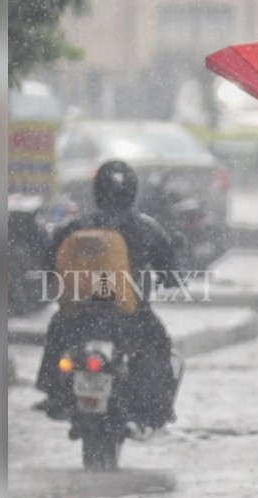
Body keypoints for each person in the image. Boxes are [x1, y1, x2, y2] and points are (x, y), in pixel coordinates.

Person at [34, 161, 180, 431]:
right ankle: (157, 408)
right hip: (129, 314)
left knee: (56, 330)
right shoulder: (147, 228)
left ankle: (53, 393)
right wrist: (169, 277)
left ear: (97, 191)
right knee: (159, 342)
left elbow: (49, 264)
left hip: (80, 314)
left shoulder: (74, 226)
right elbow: (170, 271)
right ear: (133, 192)